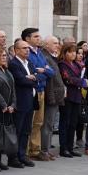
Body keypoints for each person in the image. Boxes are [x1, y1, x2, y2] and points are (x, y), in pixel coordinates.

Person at [20, 28, 54, 160]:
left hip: (41, 91)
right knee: (29, 122)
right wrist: (42, 73)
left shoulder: (39, 52)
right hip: (31, 91)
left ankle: (35, 149)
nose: (39, 39)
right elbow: (31, 74)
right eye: (36, 37)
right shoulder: (27, 53)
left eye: (39, 36)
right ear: (27, 39)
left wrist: (43, 72)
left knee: (38, 123)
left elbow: (50, 73)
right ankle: (26, 150)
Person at [7, 39, 37, 167]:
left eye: (28, 48)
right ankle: (13, 157)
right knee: (17, 130)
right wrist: (30, 78)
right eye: (24, 48)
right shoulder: (14, 64)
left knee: (26, 130)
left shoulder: (29, 63)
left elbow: (38, 78)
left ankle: (22, 155)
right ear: (17, 50)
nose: (27, 50)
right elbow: (20, 80)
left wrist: (32, 78)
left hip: (30, 101)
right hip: (20, 102)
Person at [57, 44, 87, 158]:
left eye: (75, 52)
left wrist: (83, 80)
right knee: (65, 122)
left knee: (73, 123)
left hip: (77, 96)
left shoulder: (76, 64)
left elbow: (81, 77)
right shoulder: (62, 64)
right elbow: (67, 78)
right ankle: (63, 148)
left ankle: (70, 147)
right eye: (70, 52)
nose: (74, 54)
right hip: (67, 96)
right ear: (64, 53)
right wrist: (81, 82)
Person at [39, 36, 65, 160]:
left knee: (50, 125)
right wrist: (52, 97)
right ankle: (44, 150)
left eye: (58, 43)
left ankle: (46, 149)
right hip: (51, 95)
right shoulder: (45, 57)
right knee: (47, 124)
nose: (57, 45)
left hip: (55, 95)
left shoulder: (51, 57)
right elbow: (49, 80)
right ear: (46, 45)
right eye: (54, 43)